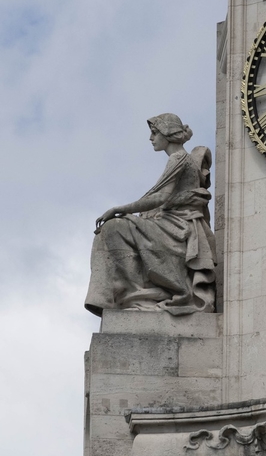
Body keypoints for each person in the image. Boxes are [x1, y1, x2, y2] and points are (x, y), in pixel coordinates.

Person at [85, 113, 216, 316]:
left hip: (176, 229)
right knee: (111, 230)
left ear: (168, 133)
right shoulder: (180, 158)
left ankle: (138, 294)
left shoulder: (179, 159)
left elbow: (159, 198)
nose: (151, 138)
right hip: (169, 224)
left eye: (154, 133)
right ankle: (132, 294)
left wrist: (119, 209)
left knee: (114, 228)